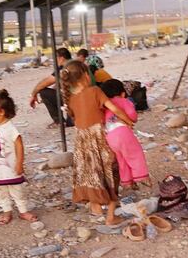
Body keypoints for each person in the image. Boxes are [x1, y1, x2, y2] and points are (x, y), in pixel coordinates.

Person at [60, 60, 135, 225]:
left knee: (91, 175)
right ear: (86, 76)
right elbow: (114, 109)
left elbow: (76, 119)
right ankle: (110, 216)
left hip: (82, 144)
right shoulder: (95, 91)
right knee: (110, 173)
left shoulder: (71, 99)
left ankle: (95, 207)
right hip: (99, 139)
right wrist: (128, 121)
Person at [0, 89, 37, 225]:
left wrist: (19, 163)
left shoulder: (11, 128)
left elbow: (19, 146)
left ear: (1, 111)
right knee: (0, 190)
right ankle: (6, 210)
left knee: (16, 189)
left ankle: (23, 210)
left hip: (11, 166)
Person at [100, 79, 149, 190]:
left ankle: (127, 182)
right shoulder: (124, 101)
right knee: (135, 154)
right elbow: (133, 116)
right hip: (123, 132)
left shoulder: (105, 104)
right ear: (122, 93)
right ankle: (141, 178)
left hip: (110, 136)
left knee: (121, 158)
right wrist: (130, 120)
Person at [29, 47, 73, 127]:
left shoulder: (65, 68)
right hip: (81, 97)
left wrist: (33, 94)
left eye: (56, 58)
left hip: (74, 99)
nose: (54, 61)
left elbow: (45, 83)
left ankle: (59, 121)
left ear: (61, 58)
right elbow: (58, 84)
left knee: (43, 92)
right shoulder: (75, 64)